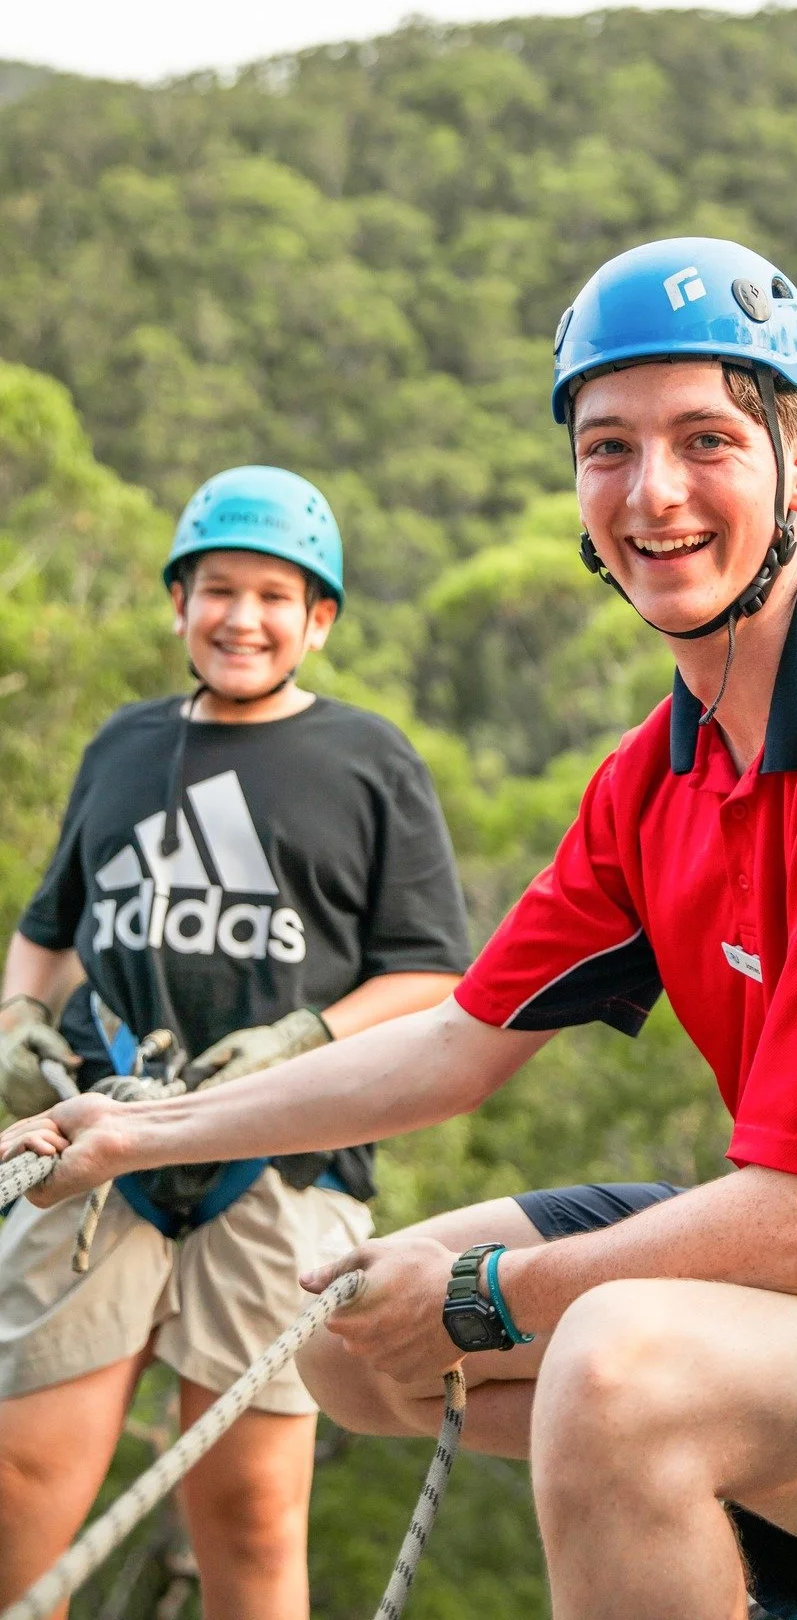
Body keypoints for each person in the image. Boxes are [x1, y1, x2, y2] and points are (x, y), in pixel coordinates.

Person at [4, 246, 797, 1620]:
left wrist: (487, 1299)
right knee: (341, 1340)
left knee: (609, 1370)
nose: (654, 494)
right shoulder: (661, 772)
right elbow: (456, 1042)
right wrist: (138, 1134)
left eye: (707, 442)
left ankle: (701, 1473)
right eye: (608, 448)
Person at [0, 465, 470, 1620]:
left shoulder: (369, 760)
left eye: (275, 594)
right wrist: (17, 1015)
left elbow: (432, 974)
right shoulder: (122, 745)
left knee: (253, 1513)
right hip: (102, 1142)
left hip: (281, 1165)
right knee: (16, 1490)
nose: (242, 617)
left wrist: (307, 1033)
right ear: (179, 602)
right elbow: (50, 927)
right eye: (217, 588)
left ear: (320, 619)